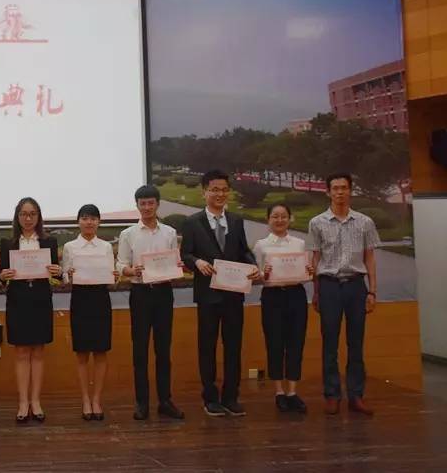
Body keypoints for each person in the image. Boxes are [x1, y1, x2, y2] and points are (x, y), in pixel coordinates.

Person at [181, 170, 261, 417]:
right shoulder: (192, 222)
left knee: (233, 346)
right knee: (207, 346)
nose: (220, 194)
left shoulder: (236, 221)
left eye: (224, 190)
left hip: (234, 293)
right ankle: (210, 397)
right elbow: (186, 254)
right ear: (204, 192)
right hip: (207, 295)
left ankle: (231, 396)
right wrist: (197, 262)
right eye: (214, 189)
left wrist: (253, 265)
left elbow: (244, 251)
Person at [309, 173, 380, 416]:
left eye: (344, 188)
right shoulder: (317, 223)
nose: (340, 192)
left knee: (356, 342)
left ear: (350, 190)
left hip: (355, 286)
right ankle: (332, 395)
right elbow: (315, 258)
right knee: (329, 342)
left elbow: (370, 258)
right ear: (328, 192)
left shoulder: (365, 222)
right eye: (335, 188)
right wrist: (316, 292)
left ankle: (356, 395)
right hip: (328, 286)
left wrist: (372, 291)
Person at [116, 185, 185, 421]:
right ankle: (142, 402)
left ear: (157, 204)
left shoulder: (169, 233)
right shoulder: (128, 234)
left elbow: (175, 262)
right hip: (140, 294)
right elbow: (120, 264)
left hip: (164, 293)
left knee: (163, 349)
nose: (146, 207)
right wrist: (130, 270)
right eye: (142, 203)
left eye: (150, 203)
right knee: (140, 349)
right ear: (137, 205)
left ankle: (165, 400)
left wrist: (177, 266)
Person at [0, 197, 61, 423]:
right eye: (24, 214)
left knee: (38, 351)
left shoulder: (49, 242)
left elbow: (56, 276)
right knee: (21, 352)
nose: (28, 218)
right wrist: (2, 275)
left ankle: (36, 401)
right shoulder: (8, 243)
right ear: (17, 217)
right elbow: (1, 276)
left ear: (39, 217)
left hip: (40, 300)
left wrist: (58, 272)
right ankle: (23, 402)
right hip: (18, 301)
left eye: (33, 214)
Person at [253, 203, 313, 413]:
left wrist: (308, 271)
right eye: (275, 216)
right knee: (275, 343)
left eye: (283, 216)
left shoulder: (299, 243)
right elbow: (255, 276)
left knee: (296, 342)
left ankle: (292, 392)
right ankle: (279, 391)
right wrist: (264, 273)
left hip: (296, 295)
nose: (279, 220)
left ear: (290, 219)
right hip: (272, 297)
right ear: (268, 219)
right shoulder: (261, 245)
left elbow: (306, 274)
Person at [61, 204, 118, 421]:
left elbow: (112, 278)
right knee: (82, 353)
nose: (89, 222)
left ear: (99, 222)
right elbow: (65, 277)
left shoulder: (105, 247)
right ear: (78, 222)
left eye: (93, 218)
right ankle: (85, 399)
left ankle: (96, 400)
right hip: (80, 300)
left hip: (101, 299)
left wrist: (114, 276)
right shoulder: (70, 247)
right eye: (85, 218)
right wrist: (69, 275)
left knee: (101, 352)